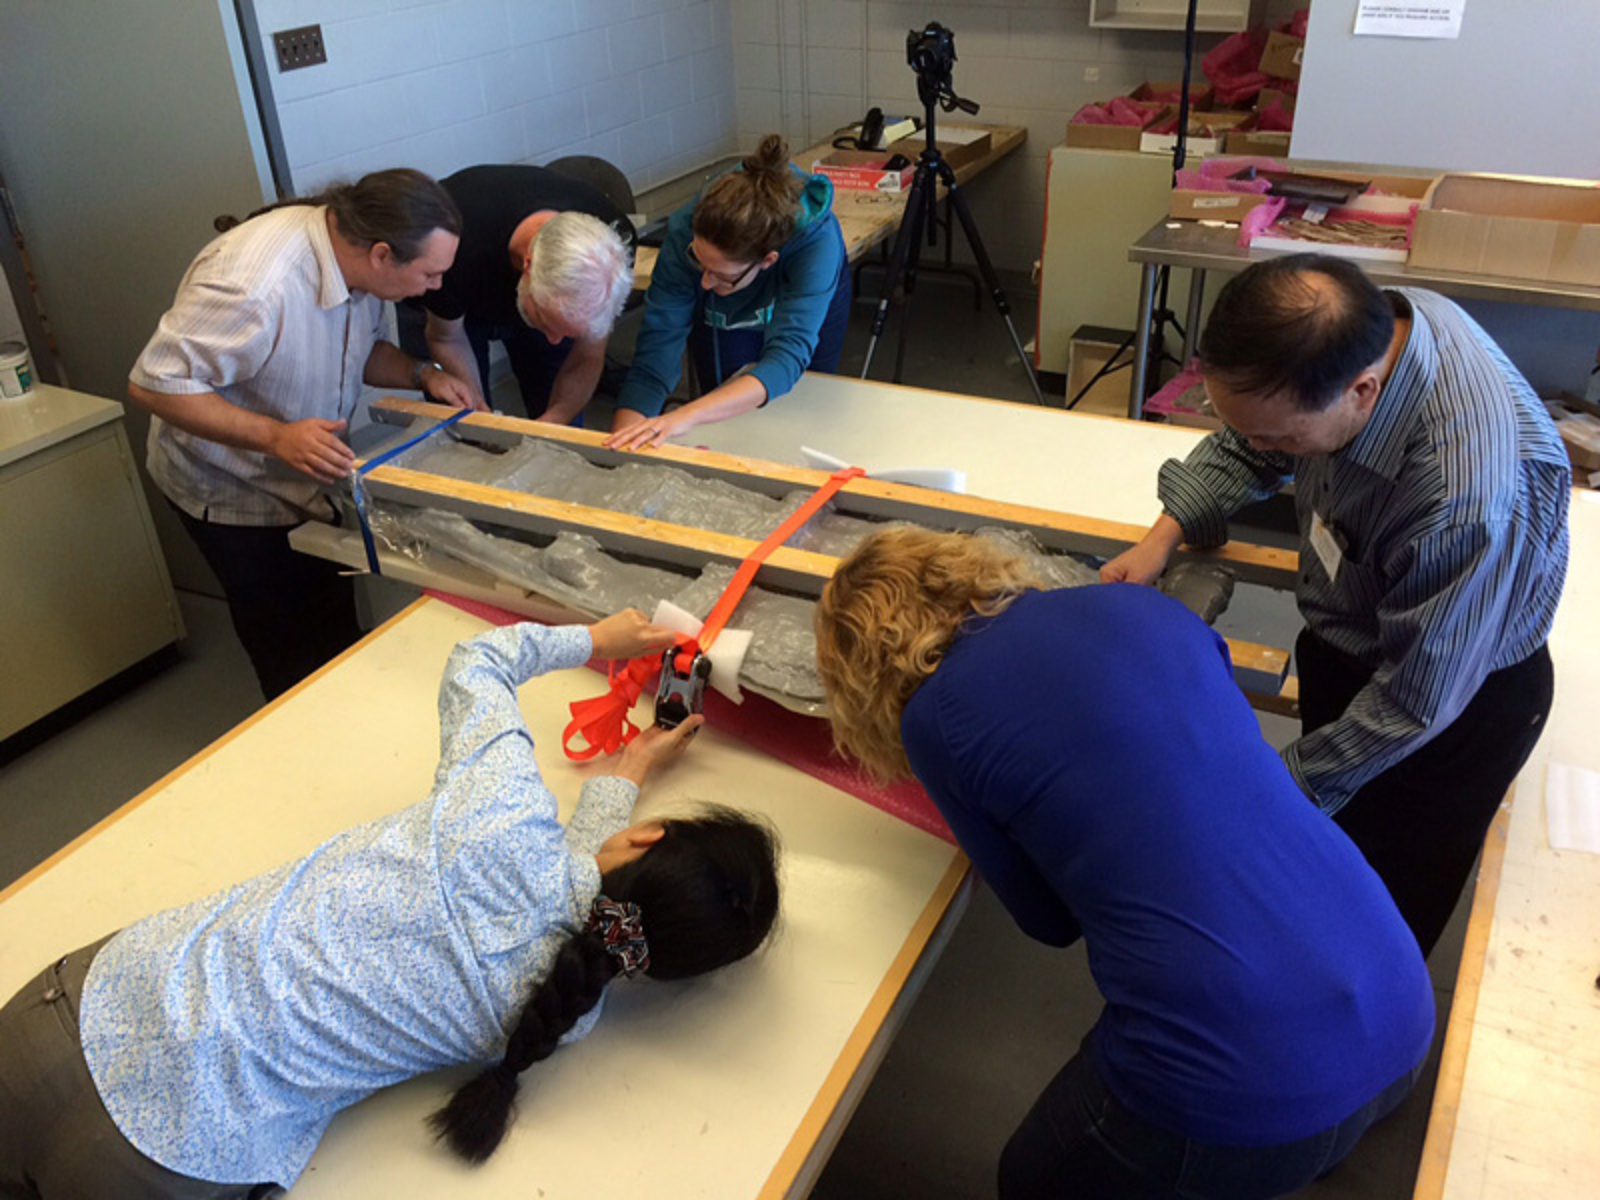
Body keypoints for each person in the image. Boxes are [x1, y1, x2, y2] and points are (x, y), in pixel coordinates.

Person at [0, 609, 781, 1197]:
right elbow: (579, 913)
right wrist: (623, 782)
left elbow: (478, 660)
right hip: (171, 1164)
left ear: (646, 842)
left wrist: (597, 642)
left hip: (77, 1013)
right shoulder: (564, 1016)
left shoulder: (498, 811)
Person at [814, 528, 1435, 1200]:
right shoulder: (1150, 607)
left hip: (1245, 1081)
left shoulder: (934, 717)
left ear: (865, 668)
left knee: (1033, 1180)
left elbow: (1049, 920)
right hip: (1398, 1000)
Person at [1101, 253, 1569, 958]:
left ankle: (1364, 1048)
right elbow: (1250, 436)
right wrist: (1163, 537)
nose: (1263, 448)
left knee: (1379, 911)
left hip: (1453, 704)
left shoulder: (1463, 499)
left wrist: (1272, 789)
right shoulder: (1374, 324)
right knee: (1319, 856)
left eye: (1283, 440)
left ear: (1362, 391)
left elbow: (1415, 703)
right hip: (1359, 626)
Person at [129, 168, 476, 701]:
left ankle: (343, 694)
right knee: (285, 640)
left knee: (329, 615)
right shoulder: (254, 282)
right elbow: (155, 384)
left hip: (304, 475)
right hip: (229, 489)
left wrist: (423, 375)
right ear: (383, 254)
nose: (437, 287)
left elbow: (360, 351)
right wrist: (274, 437)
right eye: (430, 275)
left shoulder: (358, 263)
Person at [604, 134, 851, 450]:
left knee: (805, 403)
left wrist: (683, 416)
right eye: (699, 264)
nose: (705, 283)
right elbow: (654, 361)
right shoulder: (685, 237)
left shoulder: (817, 246)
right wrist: (625, 445)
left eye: (720, 275)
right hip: (735, 273)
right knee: (724, 410)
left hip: (802, 276)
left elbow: (786, 359)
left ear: (767, 261)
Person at [399, 164, 636, 420]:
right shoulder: (452, 247)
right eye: (547, 323)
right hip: (453, 303)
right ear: (527, 266)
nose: (555, 339)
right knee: (461, 425)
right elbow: (446, 338)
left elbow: (587, 355)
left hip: (534, 294)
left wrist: (548, 429)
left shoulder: (613, 250)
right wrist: (481, 422)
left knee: (560, 435)